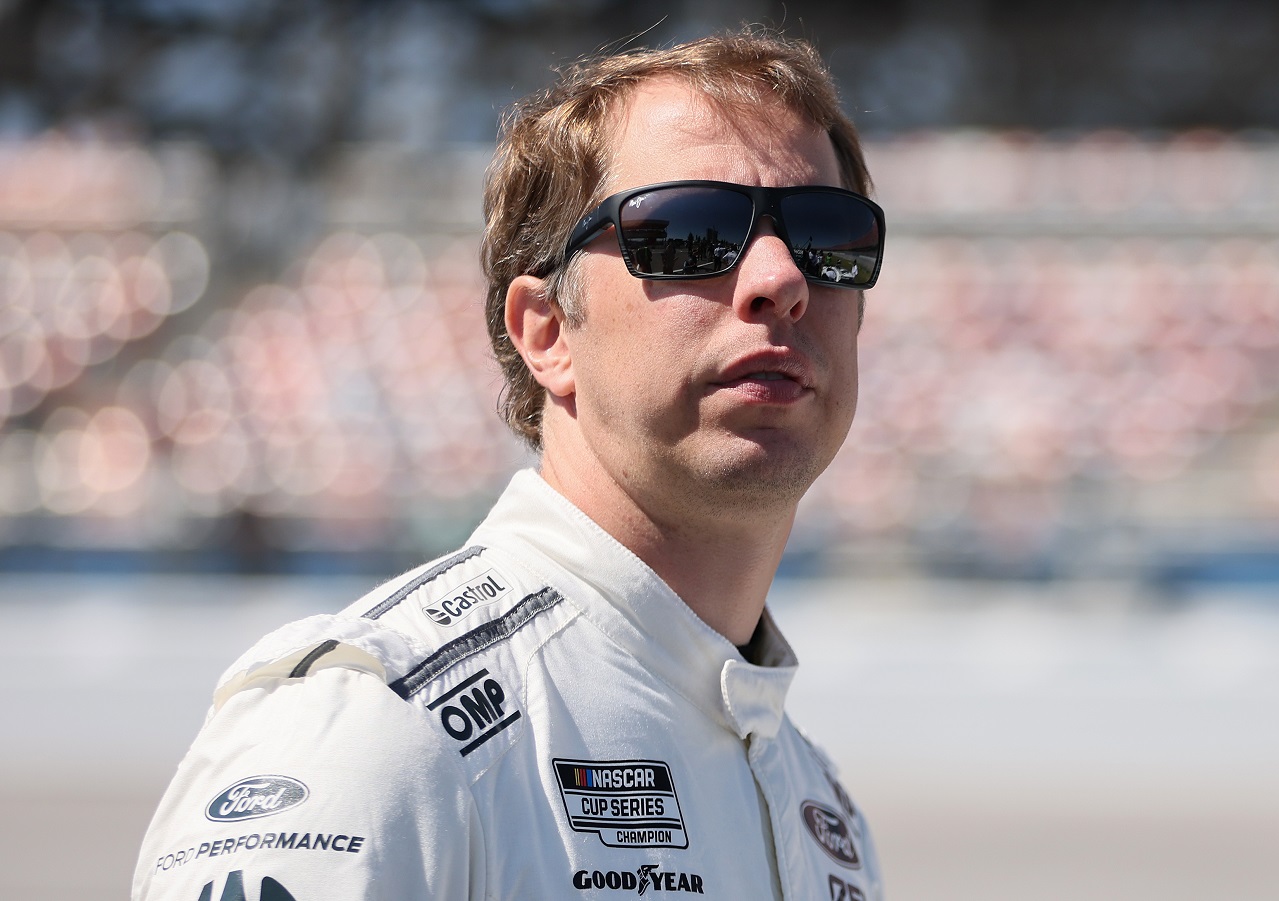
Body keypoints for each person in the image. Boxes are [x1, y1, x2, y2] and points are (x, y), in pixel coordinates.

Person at [131, 28, 886, 901]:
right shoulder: (379, 723)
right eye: (689, 230)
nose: (781, 277)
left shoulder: (822, 811)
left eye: (831, 236)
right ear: (548, 333)